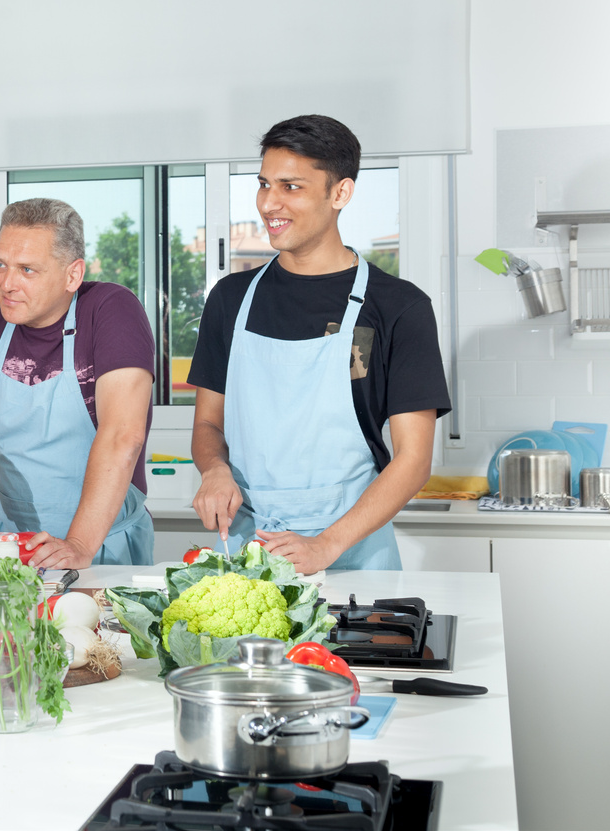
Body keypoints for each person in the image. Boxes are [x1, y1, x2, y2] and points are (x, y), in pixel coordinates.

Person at [187, 115, 450, 574]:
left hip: (352, 550)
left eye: (291, 187)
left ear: (340, 193)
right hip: (250, 549)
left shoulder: (398, 307)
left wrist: (326, 546)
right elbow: (209, 425)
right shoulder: (231, 300)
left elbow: (413, 460)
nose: (269, 203)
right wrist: (214, 469)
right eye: (264, 184)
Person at [0, 198, 156, 569]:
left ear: (73, 275)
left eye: (27, 270)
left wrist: (79, 545)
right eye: (0, 265)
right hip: (16, 547)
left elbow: (124, 434)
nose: (7, 284)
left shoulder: (110, 310)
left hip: (101, 546)